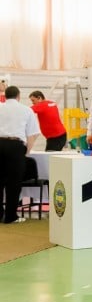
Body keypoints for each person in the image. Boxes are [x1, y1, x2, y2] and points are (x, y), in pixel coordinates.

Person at [0, 85, 41, 224]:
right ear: (18, 96)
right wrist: (26, 151)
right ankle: (10, 216)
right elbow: (32, 134)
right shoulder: (26, 110)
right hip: (15, 146)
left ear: (5, 96)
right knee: (14, 183)